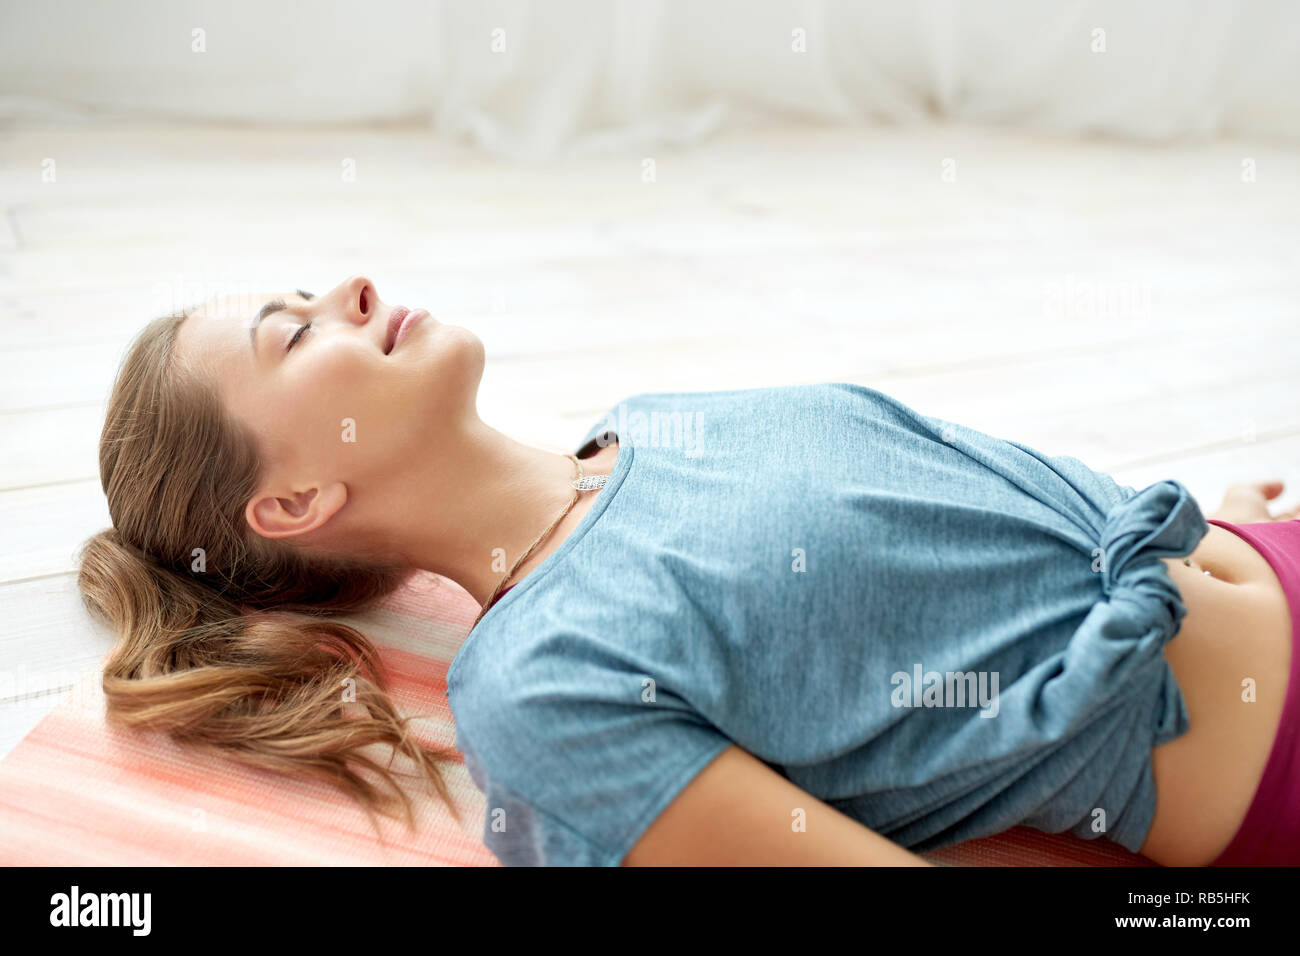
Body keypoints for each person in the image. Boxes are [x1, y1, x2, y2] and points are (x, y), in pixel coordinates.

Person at [77, 275, 1298, 867]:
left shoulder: (653, 417)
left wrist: (1213, 536)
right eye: (295, 332)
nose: (348, 287)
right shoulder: (539, 689)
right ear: (293, 500)